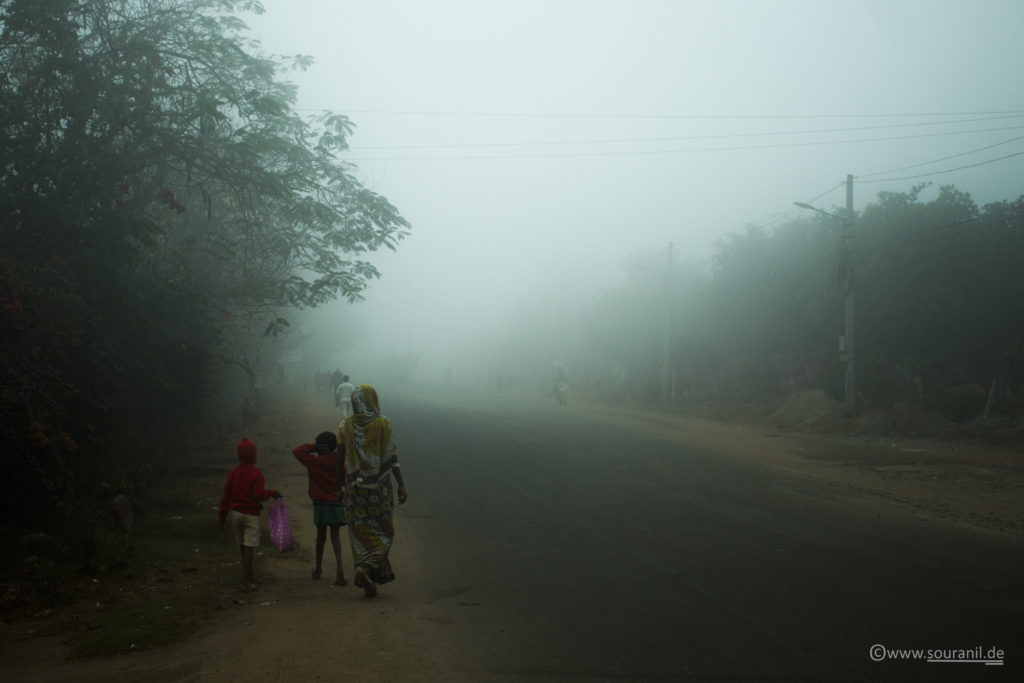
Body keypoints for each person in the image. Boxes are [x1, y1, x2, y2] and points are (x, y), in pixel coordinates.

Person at [335, 384, 408, 597]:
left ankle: (369, 578)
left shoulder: (344, 425)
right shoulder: (383, 423)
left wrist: (338, 488)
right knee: (386, 532)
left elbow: (338, 460)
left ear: (356, 402)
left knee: (361, 534)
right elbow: (391, 457)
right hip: (380, 491)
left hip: (354, 491)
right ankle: (365, 569)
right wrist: (401, 484)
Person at [218, 438, 281, 592]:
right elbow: (259, 494)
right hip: (251, 516)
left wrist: (221, 518)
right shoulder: (256, 474)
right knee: (249, 548)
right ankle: (246, 580)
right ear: (254, 455)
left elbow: (226, 497)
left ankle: (249, 574)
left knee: (242, 546)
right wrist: (272, 493)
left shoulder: (233, 474)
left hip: (236, 515)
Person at [292, 431, 348, 586]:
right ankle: (340, 570)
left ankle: (318, 569)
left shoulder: (314, 461)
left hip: (320, 505)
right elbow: (343, 481)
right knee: (335, 538)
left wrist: (314, 446)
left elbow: (297, 451)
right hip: (335, 503)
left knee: (321, 538)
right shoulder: (339, 463)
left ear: (321, 446)